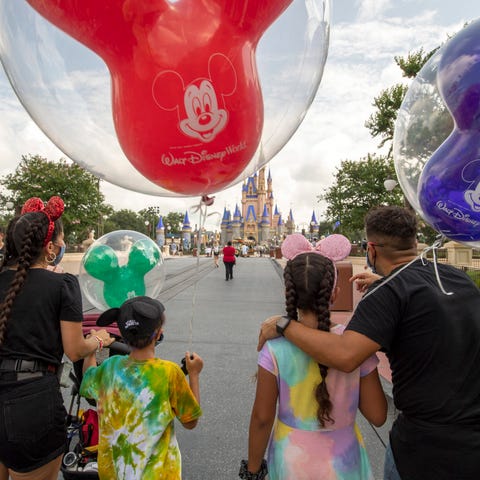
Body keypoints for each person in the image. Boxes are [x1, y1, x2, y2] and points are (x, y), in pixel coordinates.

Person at [258, 205, 480, 480]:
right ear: (413, 240)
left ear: (371, 250)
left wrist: (284, 324)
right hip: (472, 439)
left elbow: (345, 355)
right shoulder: (455, 278)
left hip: (424, 447)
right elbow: (422, 300)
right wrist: (385, 284)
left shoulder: (389, 293)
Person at [241, 233, 386, 480]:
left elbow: (262, 418)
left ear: (289, 292)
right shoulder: (354, 344)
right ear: (335, 292)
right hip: (345, 463)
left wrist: (253, 471)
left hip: (292, 462)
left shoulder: (274, 348)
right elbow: (377, 415)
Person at [0, 196, 113, 480]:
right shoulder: (62, 284)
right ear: (49, 248)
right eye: (61, 240)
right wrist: (98, 339)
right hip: (32, 401)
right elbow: (74, 349)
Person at [80, 296, 203, 480]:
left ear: (121, 332)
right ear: (159, 333)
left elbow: (88, 379)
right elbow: (190, 422)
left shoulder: (109, 367)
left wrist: (93, 345)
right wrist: (193, 374)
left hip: (114, 474)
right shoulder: (170, 372)